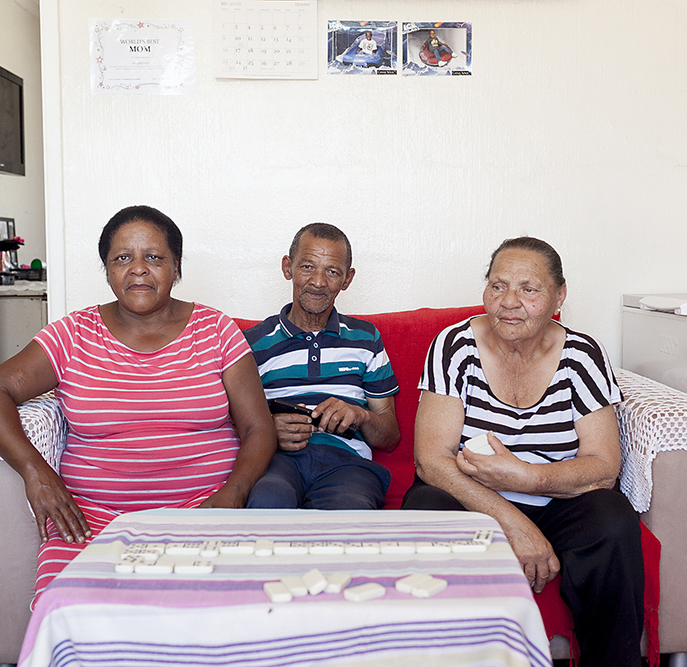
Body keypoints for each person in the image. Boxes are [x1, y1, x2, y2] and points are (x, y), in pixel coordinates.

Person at [0, 205, 276, 605]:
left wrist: (233, 494)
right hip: (89, 518)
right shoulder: (73, 334)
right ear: (107, 269)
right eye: (122, 258)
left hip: (204, 509)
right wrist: (36, 472)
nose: (138, 269)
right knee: (69, 613)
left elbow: (258, 428)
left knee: (215, 613)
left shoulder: (215, 330)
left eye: (154, 257)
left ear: (176, 267)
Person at [402, 237, 644, 667]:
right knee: (425, 505)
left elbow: (604, 467)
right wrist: (512, 524)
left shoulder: (582, 355)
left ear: (559, 296)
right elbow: (431, 460)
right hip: (474, 499)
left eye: (528, 289)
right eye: (498, 286)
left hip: (559, 501)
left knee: (612, 516)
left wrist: (527, 477)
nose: (509, 302)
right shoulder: (454, 346)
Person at [244, 223, 400, 510]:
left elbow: (390, 436)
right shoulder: (252, 343)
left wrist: (361, 416)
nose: (318, 282)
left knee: (350, 509)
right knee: (268, 500)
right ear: (288, 268)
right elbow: (229, 424)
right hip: (277, 460)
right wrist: (268, 430)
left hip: (348, 465)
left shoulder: (367, 338)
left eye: (332, 271)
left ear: (347, 279)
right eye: (307, 267)